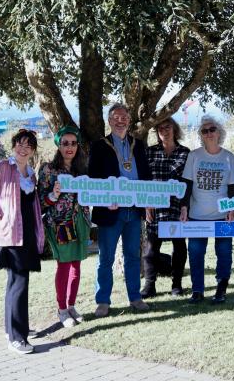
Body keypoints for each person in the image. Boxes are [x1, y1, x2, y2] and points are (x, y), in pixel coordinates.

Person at [0, 129, 45, 354]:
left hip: (26, 234)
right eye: (19, 143)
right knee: (20, 282)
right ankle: (18, 338)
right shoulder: (1, 167)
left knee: (14, 282)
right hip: (8, 235)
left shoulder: (31, 174)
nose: (23, 148)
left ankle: (12, 329)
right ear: (14, 145)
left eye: (28, 145)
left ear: (33, 150)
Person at [88, 103, 151, 317]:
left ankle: (135, 297)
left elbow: (146, 176)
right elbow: (94, 178)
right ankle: (103, 301)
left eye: (124, 117)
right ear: (109, 121)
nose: (120, 120)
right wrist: (104, 198)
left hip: (134, 211)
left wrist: (148, 202)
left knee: (133, 256)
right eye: (116, 117)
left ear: (129, 120)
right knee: (106, 258)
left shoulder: (138, 144)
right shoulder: (99, 146)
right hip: (110, 210)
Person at [180, 115, 234, 304]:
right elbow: (187, 184)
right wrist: (184, 207)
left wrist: (233, 209)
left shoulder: (228, 157)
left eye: (212, 129)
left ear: (219, 132)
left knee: (224, 253)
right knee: (196, 253)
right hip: (197, 215)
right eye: (204, 131)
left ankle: (221, 288)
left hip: (223, 216)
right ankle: (197, 290)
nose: (208, 133)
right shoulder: (194, 155)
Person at [38, 126, 91, 327]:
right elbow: (40, 202)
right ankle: (61, 309)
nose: (69, 147)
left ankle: (71, 306)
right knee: (64, 265)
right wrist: (53, 195)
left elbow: (94, 193)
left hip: (81, 221)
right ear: (58, 145)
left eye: (73, 143)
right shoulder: (48, 169)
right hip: (61, 223)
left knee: (76, 264)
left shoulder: (82, 170)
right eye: (65, 143)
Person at [142, 117, 190, 298]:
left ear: (175, 129)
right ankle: (149, 285)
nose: (164, 130)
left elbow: (188, 182)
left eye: (168, 127)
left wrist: (185, 206)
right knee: (152, 248)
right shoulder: (150, 152)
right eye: (160, 128)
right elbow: (144, 180)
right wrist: (146, 203)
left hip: (177, 207)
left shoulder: (185, 153)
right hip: (155, 206)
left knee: (179, 246)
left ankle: (177, 284)